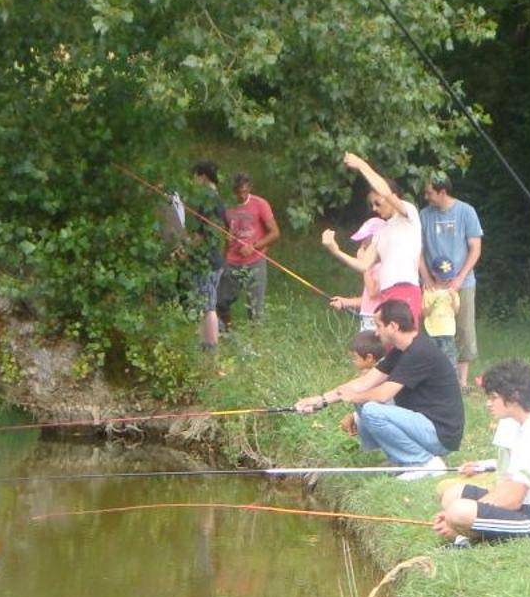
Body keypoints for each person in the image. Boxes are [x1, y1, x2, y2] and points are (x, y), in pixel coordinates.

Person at [294, 297, 465, 473]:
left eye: (378, 326)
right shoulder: (401, 350)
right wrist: (320, 400)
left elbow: (383, 394)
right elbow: (364, 383)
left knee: (371, 410)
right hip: (423, 425)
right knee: (363, 401)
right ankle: (400, 459)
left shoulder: (419, 352)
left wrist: (354, 397)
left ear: (393, 326)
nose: (376, 333)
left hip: (440, 434)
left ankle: (423, 464)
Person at [433, 359, 530, 542]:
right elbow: (508, 483)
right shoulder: (523, 425)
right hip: (527, 505)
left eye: (493, 397)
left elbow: (513, 498)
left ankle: (467, 536)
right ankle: (468, 532)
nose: (488, 404)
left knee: (458, 511)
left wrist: (455, 520)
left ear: (514, 396)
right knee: (452, 496)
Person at [344, 152, 424, 327]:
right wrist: (334, 249)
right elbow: (363, 265)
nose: (374, 208)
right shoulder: (381, 231)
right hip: (386, 293)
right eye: (371, 205)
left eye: (377, 203)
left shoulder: (408, 215)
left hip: (405, 289)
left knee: (405, 342)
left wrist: (362, 165)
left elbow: (385, 192)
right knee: (388, 348)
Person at [419, 174, 484, 383]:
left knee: (464, 328)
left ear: (442, 192)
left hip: (462, 282)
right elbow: (417, 250)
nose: (426, 196)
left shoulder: (466, 212)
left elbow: (475, 248)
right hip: (433, 284)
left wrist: (460, 278)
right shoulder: (424, 215)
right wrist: (425, 276)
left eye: (429, 192)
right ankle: (435, 375)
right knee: (432, 326)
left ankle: (462, 380)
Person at [216, 172, 280, 327]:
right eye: (238, 192)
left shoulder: (260, 204)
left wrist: (254, 246)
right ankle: (228, 331)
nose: (242, 196)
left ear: (249, 188)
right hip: (232, 261)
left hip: (255, 261)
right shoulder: (228, 207)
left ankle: (256, 344)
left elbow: (275, 233)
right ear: (233, 190)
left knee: (255, 309)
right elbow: (227, 230)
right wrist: (226, 246)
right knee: (221, 301)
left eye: (245, 191)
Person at [187, 160, 226, 353]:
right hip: (214, 259)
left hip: (207, 261)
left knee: (208, 307)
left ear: (202, 176)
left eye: (194, 177)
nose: (193, 181)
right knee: (206, 305)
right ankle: (205, 346)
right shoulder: (218, 199)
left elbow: (202, 233)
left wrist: (185, 248)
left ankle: (210, 351)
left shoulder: (209, 200)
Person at [324, 217, 385, 330]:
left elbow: (372, 292)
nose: (362, 246)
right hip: (367, 319)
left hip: (378, 322)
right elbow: (369, 299)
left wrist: (364, 266)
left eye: (365, 241)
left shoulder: (386, 266)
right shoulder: (373, 267)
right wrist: (345, 302)